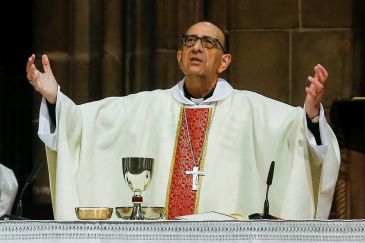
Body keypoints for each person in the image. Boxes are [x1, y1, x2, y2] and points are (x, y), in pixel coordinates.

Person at [26, 21, 340, 220]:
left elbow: (302, 138)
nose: (197, 47)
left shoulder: (255, 111)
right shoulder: (144, 108)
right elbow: (82, 125)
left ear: (225, 61)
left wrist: (312, 116)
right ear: (179, 57)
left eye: (209, 43)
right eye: (189, 41)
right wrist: (55, 100)